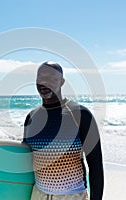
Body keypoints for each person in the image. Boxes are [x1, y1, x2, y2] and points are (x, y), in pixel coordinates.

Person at [23, 61, 104, 200]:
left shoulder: (80, 114)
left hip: (72, 196)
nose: (45, 82)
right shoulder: (31, 118)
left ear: (62, 81)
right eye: (41, 77)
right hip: (38, 195)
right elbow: (25, 160)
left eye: (51, 78)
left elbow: (96, 166)